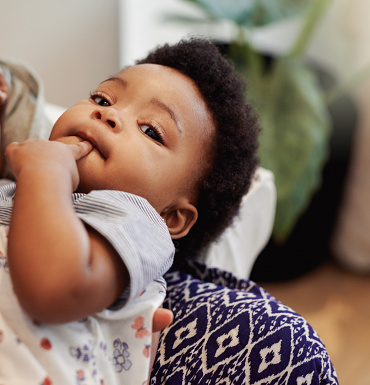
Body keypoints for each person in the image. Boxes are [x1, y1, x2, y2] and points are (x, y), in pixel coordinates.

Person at [0, 38, 260, 384]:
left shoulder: (136, 223)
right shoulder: (21, 185)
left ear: (172, 217)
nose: (108, 114)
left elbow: (52, 290)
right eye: (102, 98)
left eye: (151, 130)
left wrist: (45, 172)